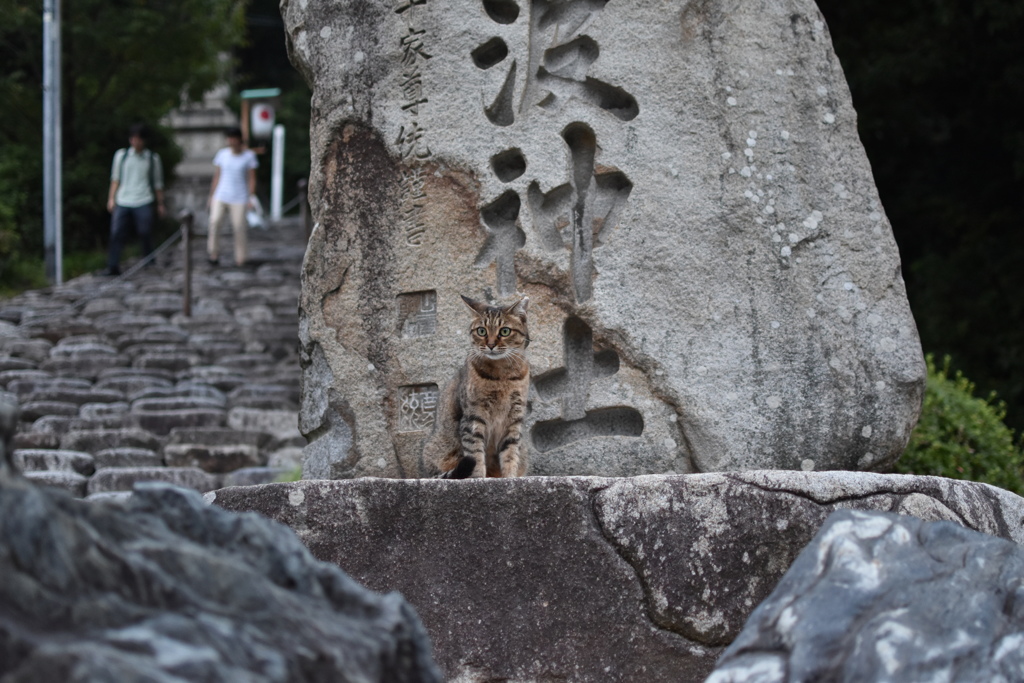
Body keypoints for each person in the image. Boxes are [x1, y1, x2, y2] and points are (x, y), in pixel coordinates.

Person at [105, 123, 165, 275]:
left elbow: (158, 183)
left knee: (145, 231)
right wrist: (111, 198)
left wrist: (160, 203)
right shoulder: (121, 156)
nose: (135, 142)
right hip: (123, 199)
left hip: (143, 199)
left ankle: (149, 260)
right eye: (133, 138)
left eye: (138, 138)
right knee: (117, 233)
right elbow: (115, 179)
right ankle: (113, 265)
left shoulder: (152, 159)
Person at [207, 127, 258, 266]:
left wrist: (251, 197)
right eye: (229, 138)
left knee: (239, 227)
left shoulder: (249, 156)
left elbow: (252, 178)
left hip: (240, 197)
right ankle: (213, 252)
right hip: (221, 194)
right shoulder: (222, 154)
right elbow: (217, 176)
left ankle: (241, 257)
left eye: (233, 138)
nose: (230, 141)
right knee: (215, 221)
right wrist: (211, 196)